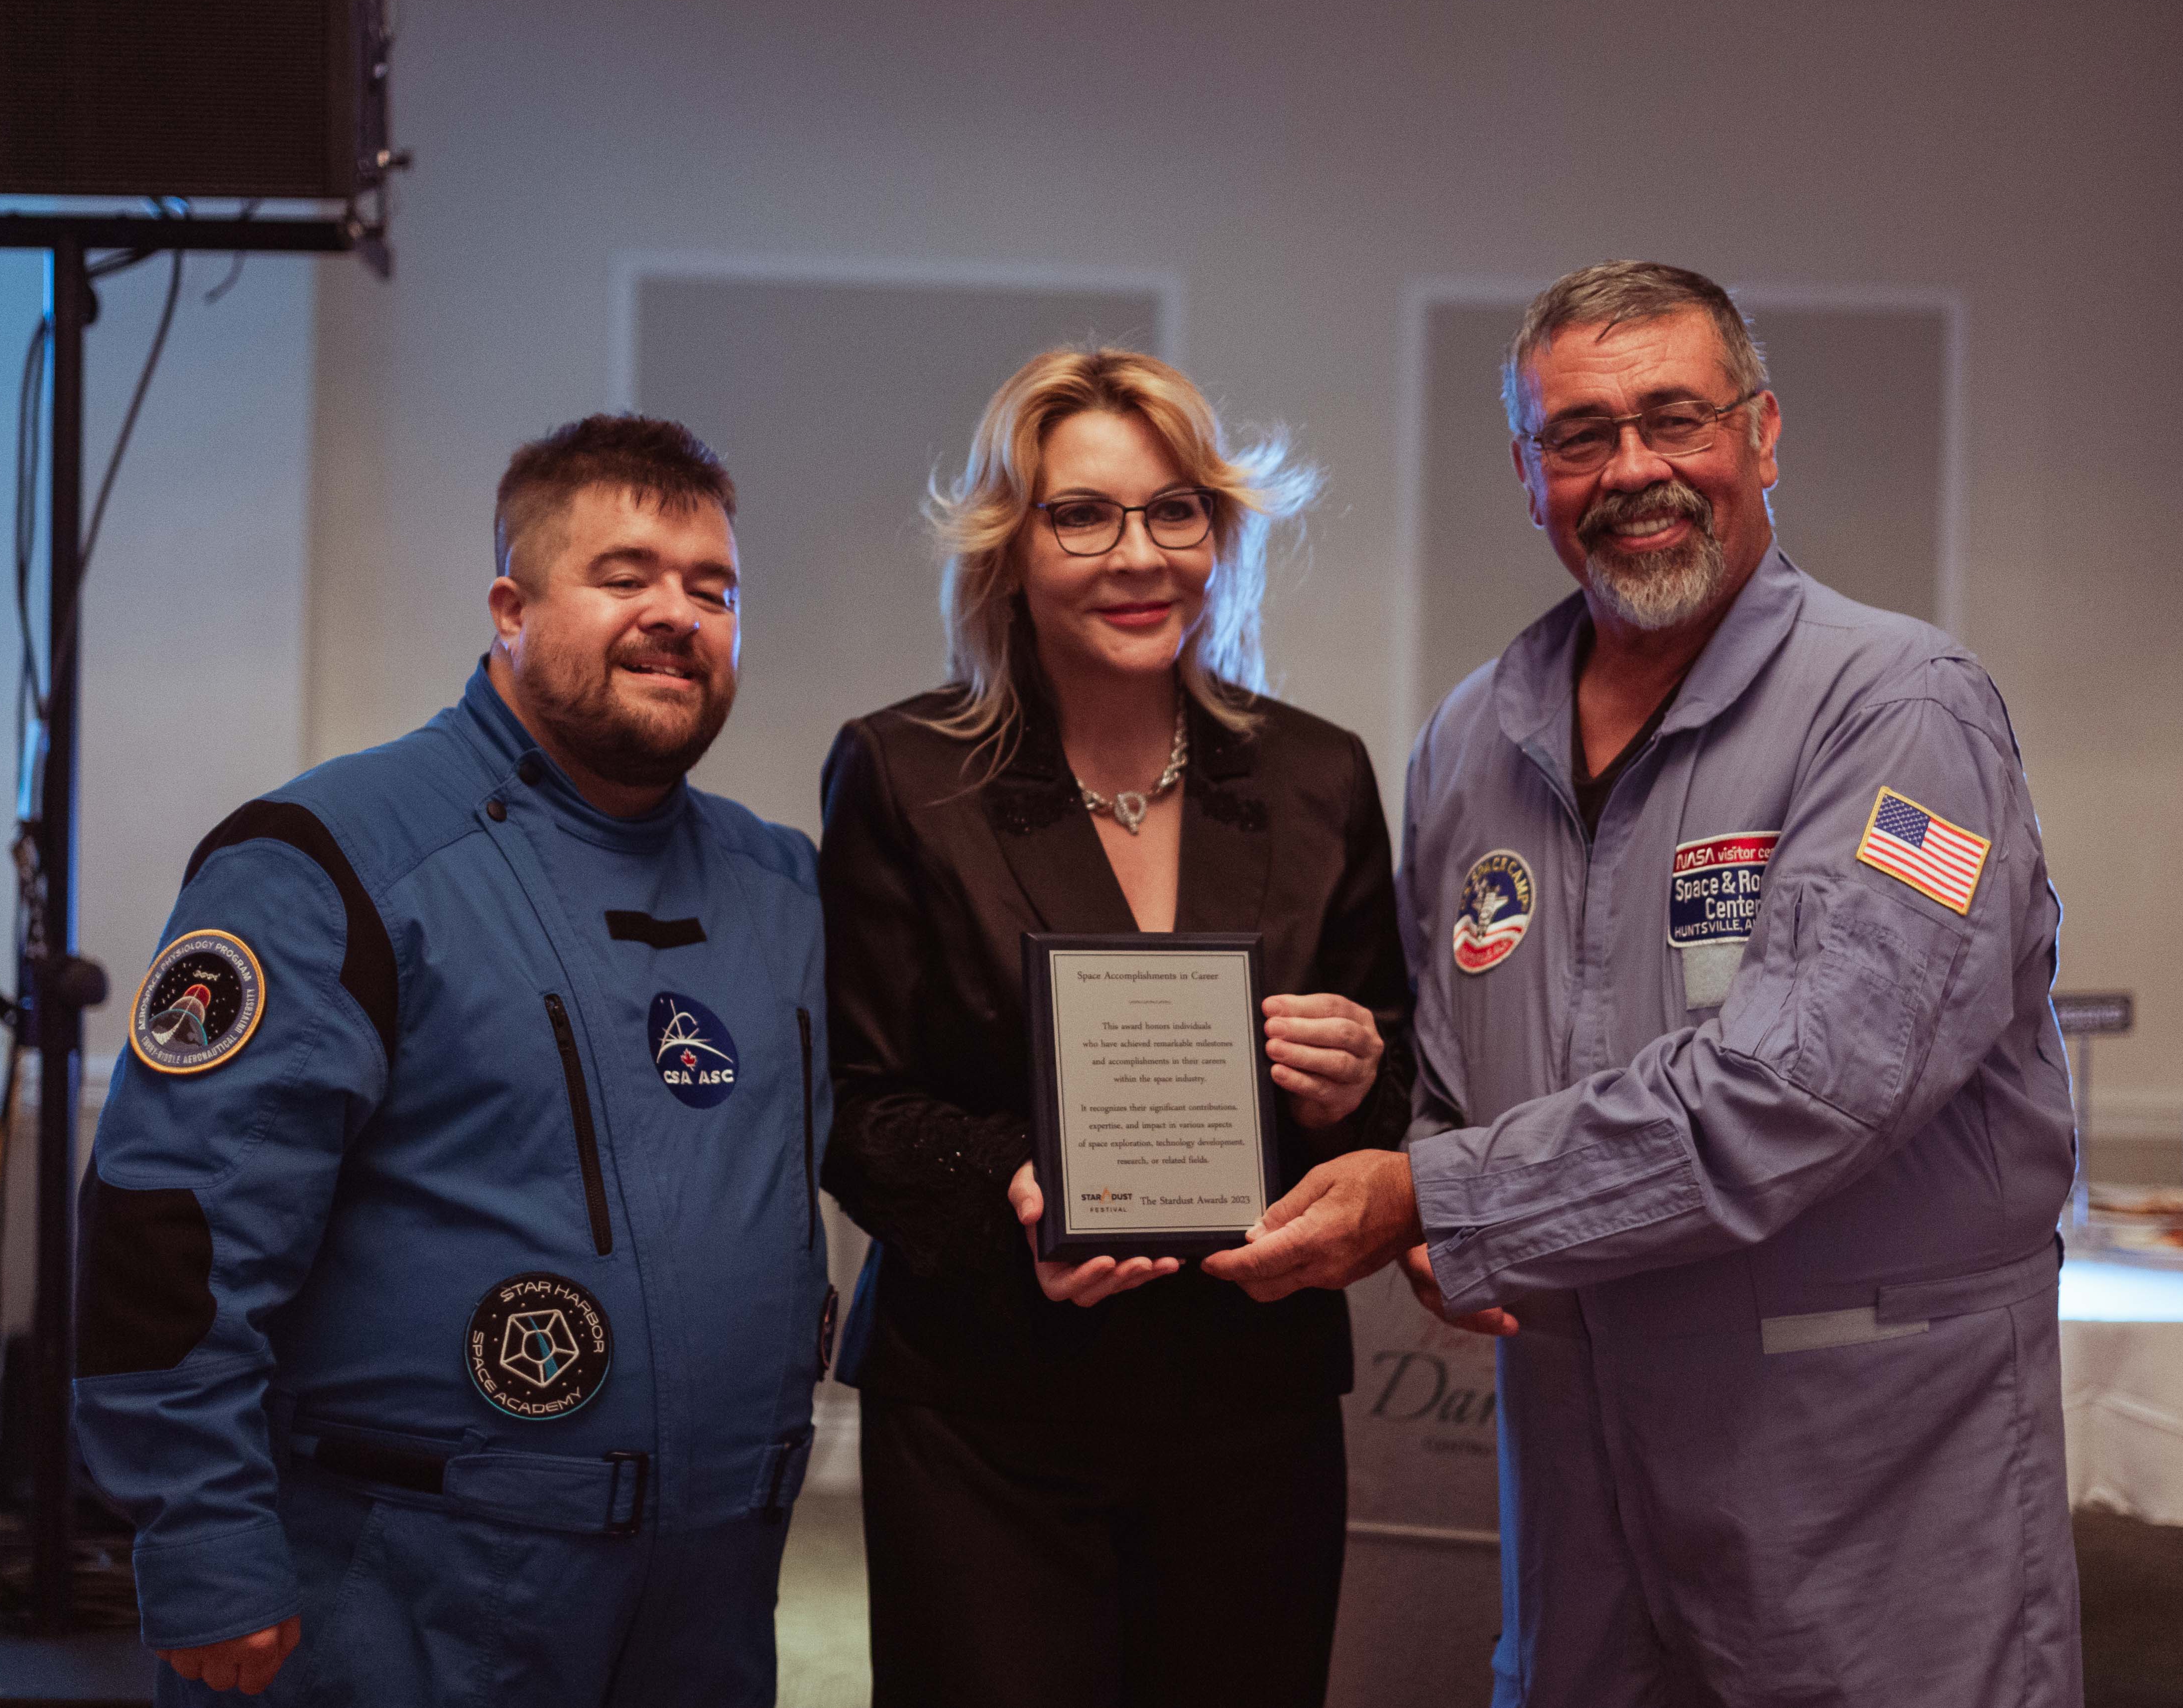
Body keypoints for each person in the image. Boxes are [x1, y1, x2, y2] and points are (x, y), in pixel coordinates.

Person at [1205, 261, 2082, 1706]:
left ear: (1762, 433)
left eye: (1674, 418)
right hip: (1583, 1480)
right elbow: (1456, 1066)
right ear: (1525, 471)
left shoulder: (1901, 712)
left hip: (1861, 1490)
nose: (1632, 470)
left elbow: (1801, 1086)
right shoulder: (1470, 739)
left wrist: (1441, 1198)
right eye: (1579, 434)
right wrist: (1398, 1131)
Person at [74, 415, 834, 1704]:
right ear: (509, 606)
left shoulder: (782, 886)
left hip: (706, 1600)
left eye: (714, 589)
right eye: (625, 575)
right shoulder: (328, 862)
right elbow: (173, 1233)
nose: (679, 615)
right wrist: (205, 1548)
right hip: (403, 1592)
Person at [817, 348, 1412, 1708]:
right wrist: (1013, 1196)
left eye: (1174, 511)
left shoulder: (1318, 775)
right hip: (987, 1414)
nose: (1136, 554)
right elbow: (854, 1100)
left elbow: (1391, 1087)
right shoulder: (905, 773)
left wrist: (1349, 1086)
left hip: (1249, 1410)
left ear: (1219, 533)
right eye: (1080, 514)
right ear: (1007, 547)